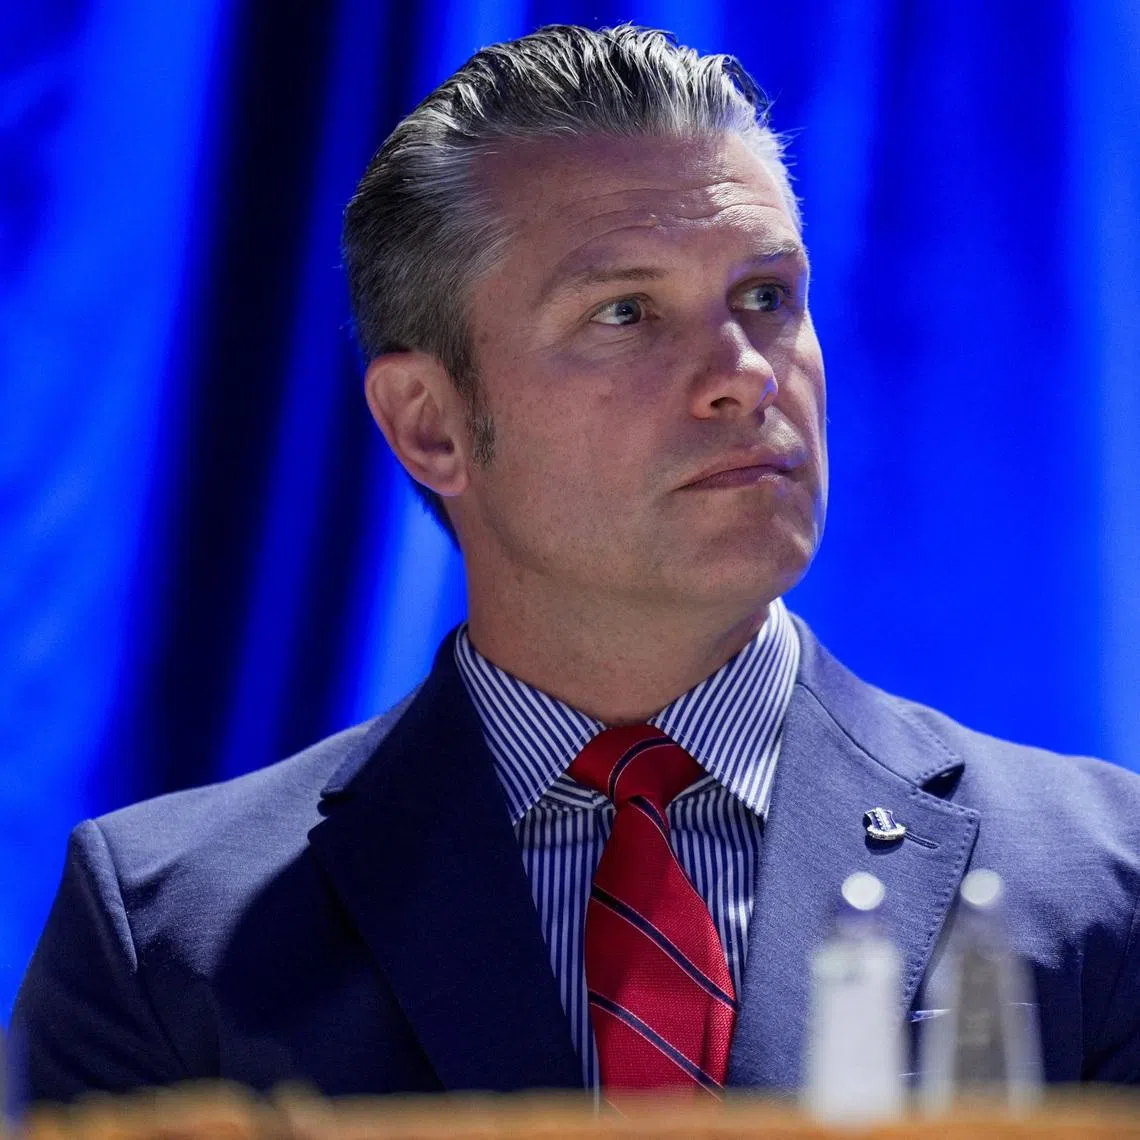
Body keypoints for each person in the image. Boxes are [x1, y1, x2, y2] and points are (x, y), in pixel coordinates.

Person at [12, 24, 1140, 1102]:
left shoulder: (1102, 880)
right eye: (627, 312)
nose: (744, 375)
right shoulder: (167, 931)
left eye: (766, 297)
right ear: (431, 426)